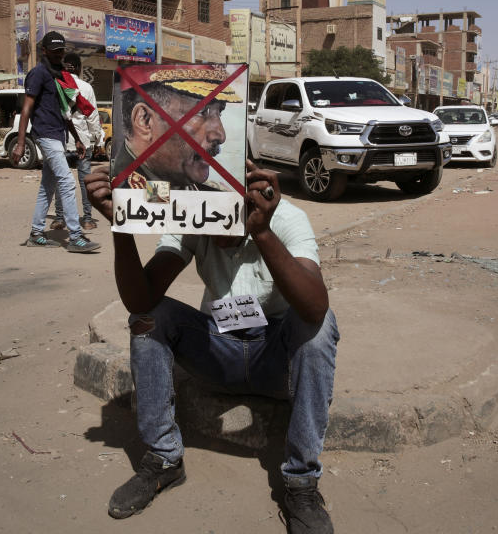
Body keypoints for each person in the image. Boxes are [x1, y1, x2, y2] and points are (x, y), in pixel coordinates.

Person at [84, 160, 339, 533]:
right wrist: (120, 224)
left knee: (319, 327)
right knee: (148, 318)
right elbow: (141, 299)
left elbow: (316, 306)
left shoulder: (286, 218)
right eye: (207, 212)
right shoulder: (192, 220)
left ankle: (301, 482)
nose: (214, 226)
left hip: (275, 358)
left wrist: (263, 233)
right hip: (219, 354)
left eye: (225, 214)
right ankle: (164, 458)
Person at [12, 31, 101, 253]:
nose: (59, 54)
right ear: (45, 51)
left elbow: (63, 111)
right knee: (67, 182)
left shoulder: (57, 74)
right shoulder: (38, 74)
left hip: (58, 135)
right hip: (45, 135)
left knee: (47, 187)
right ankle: (75, 236)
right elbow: (26, 109)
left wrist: (78, 138)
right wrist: (21, 143)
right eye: (55, 51)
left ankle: (36, 233)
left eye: (61, 50)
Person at [111, 66, 237, 191]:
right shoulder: (121, 192)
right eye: (200, 111)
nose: (220, 135)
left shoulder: (213, 195)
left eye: (219, 112)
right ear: (145, 120)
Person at [48, 52, 105, 232]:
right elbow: (92, 116)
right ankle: (87, 220)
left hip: (62, 142)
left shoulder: (56, 85)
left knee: (60, 182)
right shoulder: (86, 87)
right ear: (79, 69)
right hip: (83, 141)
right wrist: (98, 140)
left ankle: (59, 219)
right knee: (85, 182)